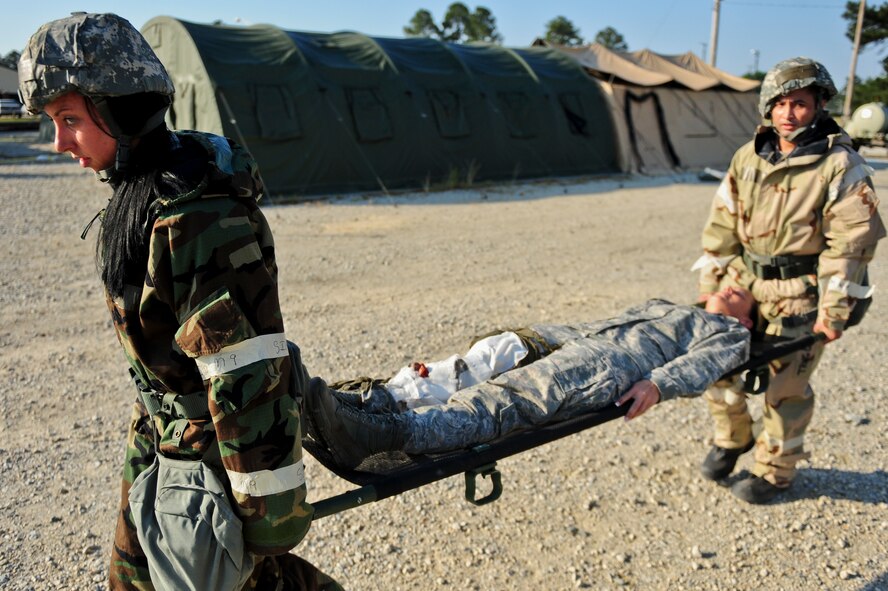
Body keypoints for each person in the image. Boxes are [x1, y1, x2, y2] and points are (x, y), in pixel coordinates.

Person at [19, 13, 342, 591]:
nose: (60, 141)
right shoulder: (141, 194)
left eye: (69, 120)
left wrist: (267, 517)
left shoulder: (195, 218)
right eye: (52, 122)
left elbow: (245, 372)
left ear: (122, 107)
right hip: (162, 440)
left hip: (212, 461)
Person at [694, 57, 886, 504]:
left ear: (819, 104)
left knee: (786, 388)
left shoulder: (841, 164)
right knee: (716, 365)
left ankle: (775, 470)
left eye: (799, 103)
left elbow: (851, 245)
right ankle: (733, 437)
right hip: (744, 283)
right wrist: (710, 285)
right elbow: (721, 226)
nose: (787, 113)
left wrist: (834, 311)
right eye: (779, 103)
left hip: (802, 295)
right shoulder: (749, 155)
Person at [303, 288, 755, 469]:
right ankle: (373, 403)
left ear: (746, 319)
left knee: (508, 400)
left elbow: (703, 366)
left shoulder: (728, 332)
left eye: (740, 293)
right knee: (474, 362)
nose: (730, 285)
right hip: (568, 337)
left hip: (612, 364)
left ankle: (382, 434)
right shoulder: (675, 305)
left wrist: (658, 383)